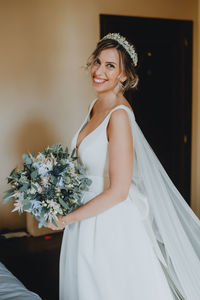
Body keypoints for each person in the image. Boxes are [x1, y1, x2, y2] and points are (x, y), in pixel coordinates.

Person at [47, 33, 200, 299]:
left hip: (108, 222)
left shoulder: (118, 116)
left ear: (124, 76)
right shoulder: (95, 105)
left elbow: (119, 191)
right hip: (84, 216)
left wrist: (66, 219)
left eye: (110, 66)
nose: (99, 71)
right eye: (97, 61)